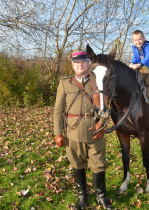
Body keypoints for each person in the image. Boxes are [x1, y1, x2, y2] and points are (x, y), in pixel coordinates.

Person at [53, 51, 113, 210]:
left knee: (98, 163)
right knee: (77, 163)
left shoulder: (98, 79)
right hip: (73, 131)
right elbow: (58, 110)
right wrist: (58, 133)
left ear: (89, 64)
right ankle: (82, 197)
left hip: (95, 129)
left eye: (84, 62)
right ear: (73, 65)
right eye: (77, 63)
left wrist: (103, 125)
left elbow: (106, 106)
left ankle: (101, 196)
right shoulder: (65, 83)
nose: (80, 65)